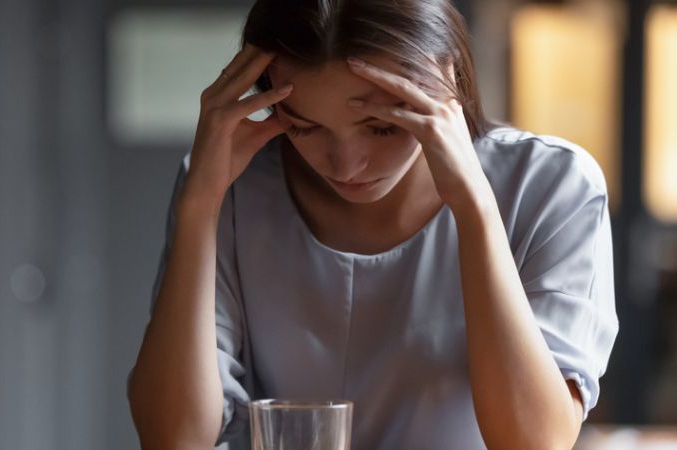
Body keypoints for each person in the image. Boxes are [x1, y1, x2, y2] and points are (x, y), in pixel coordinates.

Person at [127, 0, 619, 449]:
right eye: (303, 126)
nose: (345, 165)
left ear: (444, 76)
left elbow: (533, 442)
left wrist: (474, 207)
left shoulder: (550, 185)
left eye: (381, 126)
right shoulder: (234, 187)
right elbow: (174, 439)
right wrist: (200, 206)